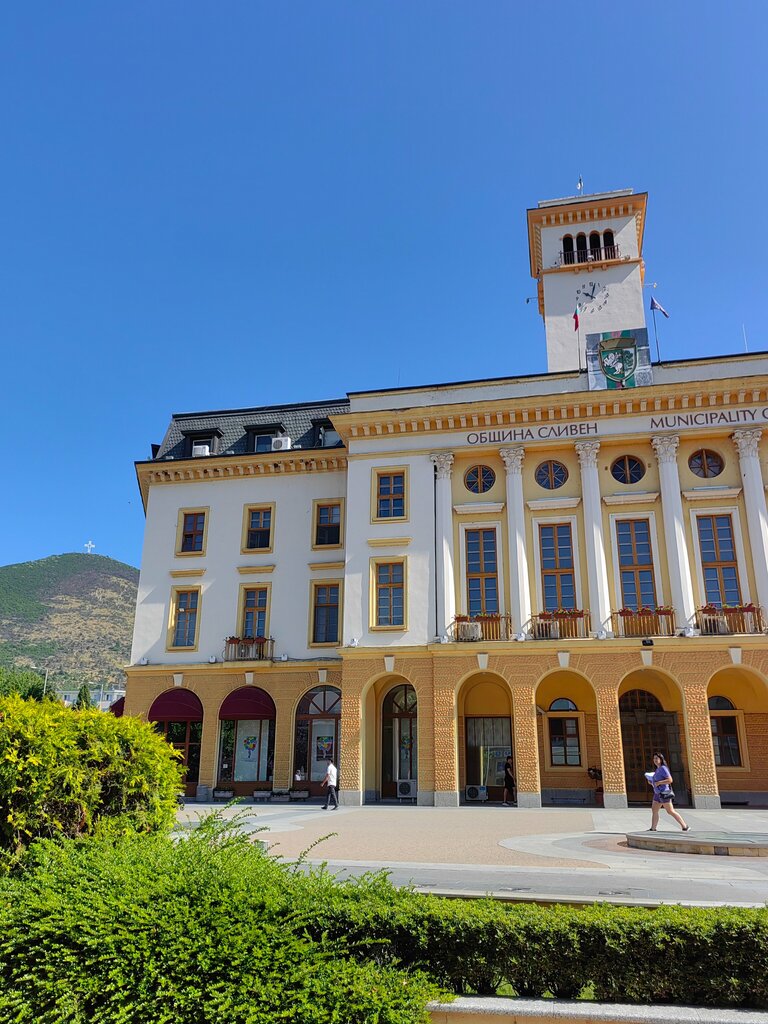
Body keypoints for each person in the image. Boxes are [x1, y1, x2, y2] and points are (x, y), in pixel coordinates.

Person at [646, 751, 689, 832]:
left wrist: (659, 783)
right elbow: (656, 781)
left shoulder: (663, 768)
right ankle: (653, 828)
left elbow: (670, 780)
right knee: (654, 810)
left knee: (670, 811)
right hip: (657, 793)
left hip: (664, 793)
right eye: (654, 758)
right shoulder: (658, 769)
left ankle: (685, 826)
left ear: (661, 759)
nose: (655, 760)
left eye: (656, 758)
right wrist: (651, 781)